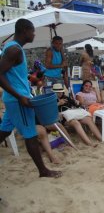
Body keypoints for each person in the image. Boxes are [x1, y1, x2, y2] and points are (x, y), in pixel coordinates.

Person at [0, 19, 62, 178]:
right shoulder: (14, 50)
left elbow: (11, 74)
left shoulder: (13, 48)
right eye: (32, 31)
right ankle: (43, 170)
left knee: (5, 130)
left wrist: (28, 80)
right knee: (31, 135)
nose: (34, 34)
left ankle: (43, 170)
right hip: (18, 100)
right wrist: (20, 96)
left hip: (14, 99)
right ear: (25, 30)